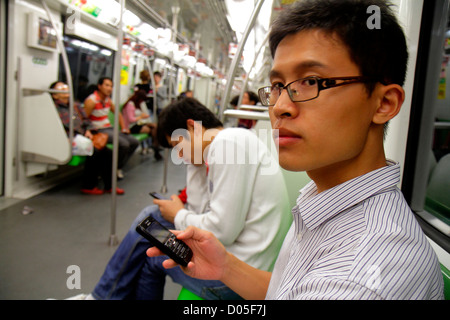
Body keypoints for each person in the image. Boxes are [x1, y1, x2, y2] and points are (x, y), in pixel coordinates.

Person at [148, 0, 444, 300]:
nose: (280, 107)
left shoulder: (357, 278)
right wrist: (226, 267)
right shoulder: (325, 200)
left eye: (311, 81)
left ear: (384, 104)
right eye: (277, 85)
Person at [73, 97, 291, 300]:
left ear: (192, 127)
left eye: (177, 145)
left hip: (241, 277)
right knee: (150, 245)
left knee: (150, 221)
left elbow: (220, 232)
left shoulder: (229, 143)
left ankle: (100, 297)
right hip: (240, 262)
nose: (178, 154)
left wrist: (177, 214)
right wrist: (193, 164)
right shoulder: (221, 146)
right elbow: (198, 210)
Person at [50, 81, 124, 195]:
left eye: (66, 87)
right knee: (95, 152)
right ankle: (88, 185)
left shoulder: (75, 105)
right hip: (69, 138)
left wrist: (89, 130)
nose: (65, 90)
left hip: (83, 136)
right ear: (54, 94)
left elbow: (86, 120)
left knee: (108, 152)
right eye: (61, 89)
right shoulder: (53, 108)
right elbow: (55, 126)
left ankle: (110, 185)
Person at [83, 77, 139, 179]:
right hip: (98, 130)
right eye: (107, 85)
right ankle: (110, 170)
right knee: (124, 144)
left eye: (111, 86)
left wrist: (124, 127)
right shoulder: (92, 100)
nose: (109, 88)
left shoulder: (107, 100)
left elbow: (118, 114)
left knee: (134, 142)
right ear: (99, 86)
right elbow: (84, 118)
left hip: (108, 128)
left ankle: (116, 167)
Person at [122, 90, 162, 160]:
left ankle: (155, 146)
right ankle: (155, 146)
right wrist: (141, 117)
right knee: (152, 130)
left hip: (137, 124)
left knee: (155, 127)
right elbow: (131, 119)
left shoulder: (136, 105)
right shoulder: (130, 105)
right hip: (131, 127)